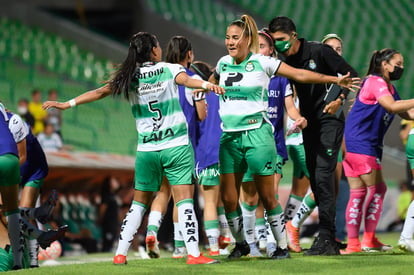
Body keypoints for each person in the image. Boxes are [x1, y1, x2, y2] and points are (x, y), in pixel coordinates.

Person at [42, 32, 224, 265]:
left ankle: (120, 254)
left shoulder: (130, 77)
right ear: (154, 51)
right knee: (184, 201)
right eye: (158, 45)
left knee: (139, 204)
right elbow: (189, 81)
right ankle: (194, 254)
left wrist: (67, 104)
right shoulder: (169, 69)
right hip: (176, 146)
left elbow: (99, 92)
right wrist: (209, 85)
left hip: (147, 149)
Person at [208, 14, 358, 260]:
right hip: (241, 136)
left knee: (287, 188)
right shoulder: (227, 63)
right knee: (231, 197)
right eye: (227, 37)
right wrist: (203, 87)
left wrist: (336, 89)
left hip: (278, 132)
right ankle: (244, 243)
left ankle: (300, 241)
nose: (230, 42)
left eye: (235, 37)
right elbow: (211, 80)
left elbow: (308, 75)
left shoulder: (283, 59)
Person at [268, 16, 359, 255]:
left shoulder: (320, 52)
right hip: (309, 124)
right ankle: (327, 236)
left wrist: (338, 100)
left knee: (322, 174)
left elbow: (351, 75)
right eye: (275, 41)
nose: (279, 45)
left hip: (330, 120)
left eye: (282, 40)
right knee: (316, 178)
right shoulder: (285, 61)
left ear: (294, 35)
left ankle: (327, 237)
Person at [239, 28, 307, 257]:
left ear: (271, 51)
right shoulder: (242, 75)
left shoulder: (280, 80)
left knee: (270, 194)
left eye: (263, 46)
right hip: (246, 144)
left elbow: (290, 107)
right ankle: (250, 243)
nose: (258, 50)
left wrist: (299, 118)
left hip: (273, 146)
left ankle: (270, 242)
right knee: (249, 196)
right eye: (254, 46)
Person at [341, 48, 414, 253]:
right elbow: (391, 107)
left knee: (359, 192)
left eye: (403, 64)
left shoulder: (388, 87)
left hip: (364, 143)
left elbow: (406, 112)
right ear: (384, 64)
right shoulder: (375, 82)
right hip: (361, 143)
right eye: (397, 63)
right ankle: (368, 239)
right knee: (377, 190)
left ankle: (355, 243)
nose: (401, 68)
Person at [144, 35, 207, 259]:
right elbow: (201, 115)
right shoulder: (190, 78)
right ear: (189, 54)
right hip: (182, 144)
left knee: (162, 192)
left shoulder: (160, 76)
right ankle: (181, 247)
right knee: (184, 197)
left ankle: (151, 231)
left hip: (156, 141)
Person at [285, 33, 349, 252]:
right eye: (330, 48)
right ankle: (291, 225)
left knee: (323, 187)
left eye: (338, 49)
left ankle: (326, 232)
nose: (335, 52)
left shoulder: (340, 82)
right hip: (303, 135)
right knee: (321, 185)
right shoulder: (310, 76)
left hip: (329, 136)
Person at [0, 103, 65, 270]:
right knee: (11, 212)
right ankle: (38, 235)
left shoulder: (15, 122)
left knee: (16, 209)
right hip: (13, 168)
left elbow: (22, 156)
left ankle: (33, 259)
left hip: (32, 170)